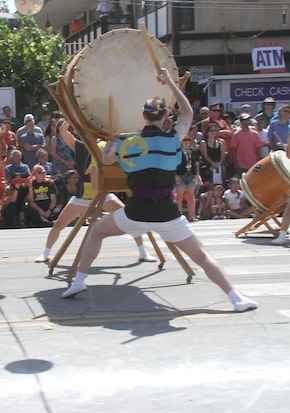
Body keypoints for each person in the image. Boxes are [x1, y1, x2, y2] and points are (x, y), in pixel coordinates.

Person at [61, 68, 258, 313]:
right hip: (168, 213)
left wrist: (114, 141)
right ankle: (235, 297)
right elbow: (187, 112)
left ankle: (79, 281)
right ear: (165, 116)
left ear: (143, 117)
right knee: (202, 256)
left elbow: (106, 160)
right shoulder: (173, 139)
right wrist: (170, 84)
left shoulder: (129, 142)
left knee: (97, 231)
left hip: (136, 212)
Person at [35, 119, 156, 264]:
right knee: (59, 224)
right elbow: (62, 131)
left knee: (130, 217)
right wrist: (73, 114)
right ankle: (46, 252)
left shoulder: (107, 146)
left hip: (103, 192)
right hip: (82, 195)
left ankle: (143, 251)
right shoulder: (79, 146)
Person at [174, 136, 201, 222]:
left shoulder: (193, 151)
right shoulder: (177, 152)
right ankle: (178, 216)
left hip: (191, 175)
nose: (186, 142)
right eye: (184, 140)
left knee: (191, 196)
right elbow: (173, 164)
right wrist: (175, 175)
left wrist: (197, 174)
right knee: (179, 196)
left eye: (188, 140)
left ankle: (191, 216)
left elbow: (196, 164)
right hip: (180, 175)